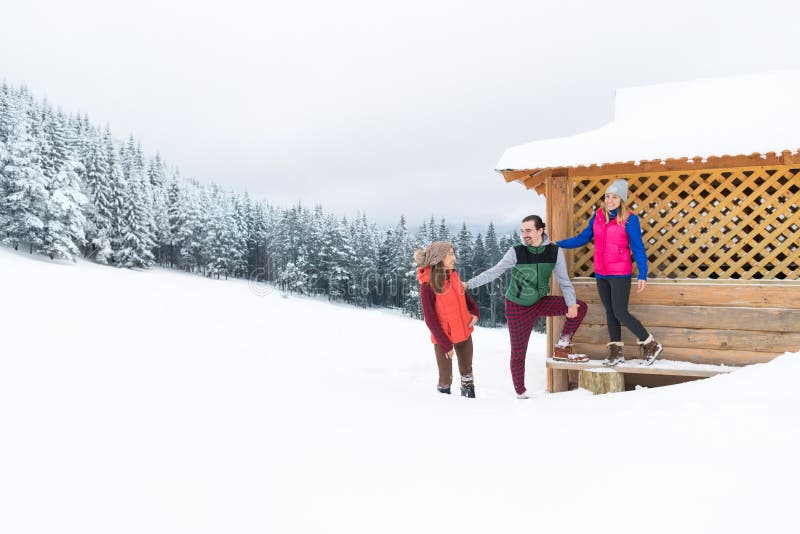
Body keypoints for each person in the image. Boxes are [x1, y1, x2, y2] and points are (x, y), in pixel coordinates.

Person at [464, 215, 588, 399]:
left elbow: (564, 280)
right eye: (522, 231)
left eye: (528, 230)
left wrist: (570, 304)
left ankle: (562, 346)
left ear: (540, 231)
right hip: (517, 306)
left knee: (580, 307)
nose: (524, 235)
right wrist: (468, 285)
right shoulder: (517, 252)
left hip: (539, 302)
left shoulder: (554, 251)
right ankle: (521, 393)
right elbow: (494, 272)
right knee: (519, 351)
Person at [556, 178, 663, 367]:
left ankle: (650, 344)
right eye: (607, 196)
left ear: (621, 199)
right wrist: (558, 244)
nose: (610, 200)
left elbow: (638, 248)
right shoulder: (598, 216)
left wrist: (643, 274)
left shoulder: (630, 220)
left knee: (620, 312)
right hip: (601, 273)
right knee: (610, 312)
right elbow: (582, 238)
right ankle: (616, 351)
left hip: (620, 273)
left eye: (614, 197)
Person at [415, 241, 480, 398]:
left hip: (464, 332)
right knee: (445, 379)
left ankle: (471, 406)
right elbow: (430, 319)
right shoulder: (427, 285)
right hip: (443, 338)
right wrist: (445, 343)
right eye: (450, 254)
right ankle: (445, 409)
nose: (454, 258)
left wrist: (475, 311)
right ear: (439, 257)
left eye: (453, 253)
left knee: (467, 374)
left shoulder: (453, 274)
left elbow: (464, 296)